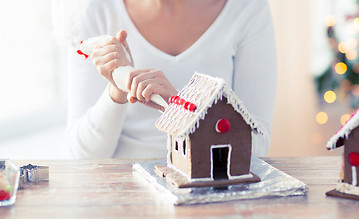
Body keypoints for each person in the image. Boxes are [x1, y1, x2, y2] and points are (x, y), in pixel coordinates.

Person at [66, 0, 277, 159]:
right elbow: (83, 156)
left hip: (211, 190)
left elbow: (256, 143)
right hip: (122, 195)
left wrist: (180, 109)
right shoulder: (98, 10)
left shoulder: (248, 9)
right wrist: (117, 90)